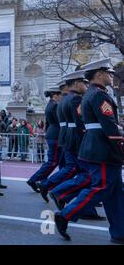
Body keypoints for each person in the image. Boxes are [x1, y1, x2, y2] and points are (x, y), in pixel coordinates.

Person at [54, 59, 124, 244]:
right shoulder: (99, 96)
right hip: (102, 150)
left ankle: (119, 232)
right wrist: (121, 147)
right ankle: (65, 215)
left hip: (99, 148)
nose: (110, 76)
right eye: (108, 73)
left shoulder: (91, 94)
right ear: (99, 74)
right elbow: (109, 126)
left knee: (115, 193)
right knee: (101, 187)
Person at [48, 70, 104, 220]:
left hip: (68, 138)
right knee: (87, 175)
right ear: (77, 83)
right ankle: (60, 192)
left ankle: (86, 209)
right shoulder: (75, 99)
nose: (86, 85)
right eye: (84, 83)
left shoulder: (64, 99)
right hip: (76, 139)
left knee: (81, 173)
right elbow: (80, 123)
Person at [27, 87, 61, 190]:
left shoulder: (50, 105)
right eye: (60, 95)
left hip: (52, 134)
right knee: (52, 162)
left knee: (53, 161)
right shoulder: (54, 105)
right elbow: (59, 121)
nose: (61, 97)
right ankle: (34, 180)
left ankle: (42, 181)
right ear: (55, 95)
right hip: (55, 135)